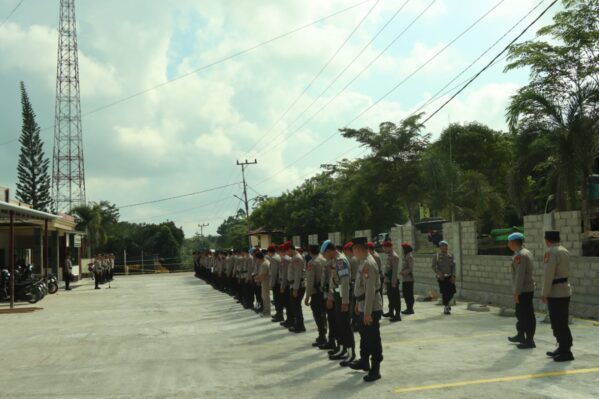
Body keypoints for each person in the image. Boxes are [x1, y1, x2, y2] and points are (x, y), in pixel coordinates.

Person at [351, 237, 383, 382]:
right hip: (364, 305)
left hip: (372, 308)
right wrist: (359, 304)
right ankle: (364, 361)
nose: (353, 253)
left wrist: (368, 313)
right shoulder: (363, 263)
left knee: (373, 339)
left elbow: (370, 291)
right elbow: (361, 287)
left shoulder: (369, 264)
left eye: (353, 250)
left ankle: (375, 369)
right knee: (365, 336)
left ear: (358, 249)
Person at [321, 240, 355, 366]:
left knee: (345, 326)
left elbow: (345, 281)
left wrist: (345, 302)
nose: (324, 256)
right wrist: (330, 297)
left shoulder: (341, 260)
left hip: (342, 296)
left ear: (329, 251)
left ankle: (351, 353)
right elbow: (332, 280)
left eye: (324, 254)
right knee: (338, 324)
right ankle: (342, 349)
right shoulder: (335, 260)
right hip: (337, 295)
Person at [542, 231, 574, 362]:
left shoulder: (551, 252)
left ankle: (566, 351)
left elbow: (548, 275)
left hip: (555, 292)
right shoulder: (564, 250)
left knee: (558, 322)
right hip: (565, 290)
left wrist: (544, 293)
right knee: (561, 321)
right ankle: (562, 347)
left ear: (547, 240)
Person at [507, 232, 536, 349]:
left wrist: (516, 293)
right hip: (525, 289)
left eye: (509, 242)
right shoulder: (523, 253)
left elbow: (520, 276)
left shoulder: (521, 255)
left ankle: (529, 341)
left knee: (526, 315)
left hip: (524, 290)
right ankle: (520, 335)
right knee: (520, 314)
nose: (508, 244)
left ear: (513, 243)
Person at [305, 245, 327, 346]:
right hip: (325, 291)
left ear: (310, 252)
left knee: (318, 315)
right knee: (324, 314)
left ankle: (322, 336)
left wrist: (308, 296)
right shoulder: (324, 259)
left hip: (316, 292)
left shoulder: (312, 263)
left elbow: (310, 281)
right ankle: (324, 334)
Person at [432, 241, 456, 315]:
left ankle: (447, 304)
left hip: (449, 277)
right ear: (440, 247)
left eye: (446, 246)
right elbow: (434, 266)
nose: (445, 247)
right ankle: (446, 307)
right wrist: (439, 273)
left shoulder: (451, 255)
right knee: (444, 292)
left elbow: (454, 267)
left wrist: (453, 276)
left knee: (452, 292)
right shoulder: (436, 256)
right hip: (442, 277)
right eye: (443, 246)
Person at [288, 244, 306, 333]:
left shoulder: (297, 258)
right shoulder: (294, 257)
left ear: (290, 249)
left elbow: (298, 275)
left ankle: (300, 326)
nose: (286, 253)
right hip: (295, 285)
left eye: (287, 251)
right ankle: (297, 324)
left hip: (298, 286)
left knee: (296, 306)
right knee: (295, 306)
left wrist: (295, 289)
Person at [382, 240, 401, 322]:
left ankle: (397, 315)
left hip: (393, 281)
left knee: (395, 299)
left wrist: (393, 283)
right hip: (389, 281)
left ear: (389, 247)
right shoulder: (390, 256)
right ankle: (391, 312)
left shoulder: (394, 256)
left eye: (385, 248)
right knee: (391, 298)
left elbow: (394, 271)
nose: (384, 249)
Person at [268, 245, 283, 322]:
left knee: (277, 299)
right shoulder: (278, 256)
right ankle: (279, 314)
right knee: (279, 299)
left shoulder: (273, 259)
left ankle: (279, 315)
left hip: (276, 282)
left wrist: (271, 284)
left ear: (269, 252)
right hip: (280, 281)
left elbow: (274, 273)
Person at [255, 250, 271, 318]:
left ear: (258, 258)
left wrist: (257, 279)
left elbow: (264, 275)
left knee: (265, 297)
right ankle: (266, 310)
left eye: (256, 258)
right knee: (265, 297)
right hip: (265, 282)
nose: (256, 260)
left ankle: (267, 312)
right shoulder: (265, 262)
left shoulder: (264, 264)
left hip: (265, 282)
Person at [400, 243, 415, 315]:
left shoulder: (409, 256)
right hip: (405, 278)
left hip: (409, 278)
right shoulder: (406, 256)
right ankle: (408, 308)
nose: (402, 250)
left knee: (409, 294)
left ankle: (410, 309)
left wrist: (404, 272)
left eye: (403, 248)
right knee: (405, 294)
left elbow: (410, 268)